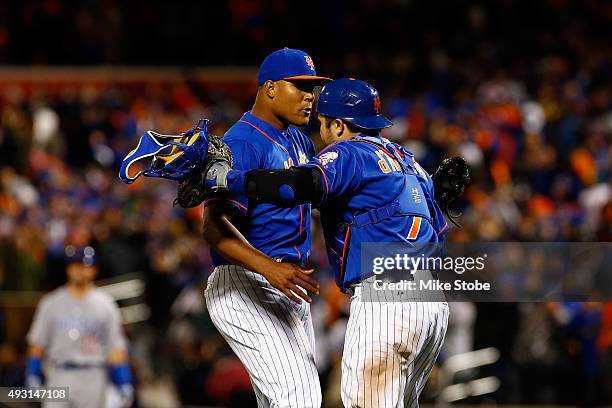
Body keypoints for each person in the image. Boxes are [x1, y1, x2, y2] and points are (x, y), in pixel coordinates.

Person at [201, 78, 469, 407]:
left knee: (364, 401)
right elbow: (438, 235)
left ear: (339, 125)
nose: (322, 133)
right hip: (432, 302)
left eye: (325, 124)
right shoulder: (409, 161)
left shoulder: (350, 151)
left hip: (388, 296)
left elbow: (297, 186)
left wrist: (229, 178)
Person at [201, 48, 330, 407]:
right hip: (246, 280)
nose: (310, 97)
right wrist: (269, 267)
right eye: (300, 87)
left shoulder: (298, 139)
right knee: (299, 398)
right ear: (270, 88)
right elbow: (213, 228)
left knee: (290, 399)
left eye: (313, 88)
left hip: (285, 282)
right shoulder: (242, 142)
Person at [26, 245, 133, 408]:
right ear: (68, 269)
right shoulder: (51, 302)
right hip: (59, 374)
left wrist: (124, 380)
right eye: (75, 265)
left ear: (94, 270)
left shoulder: (105, 304)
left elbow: (115, 348)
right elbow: (37, 343)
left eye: (84, 266)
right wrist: (32, 372)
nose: (80, 270)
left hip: (94, 375)